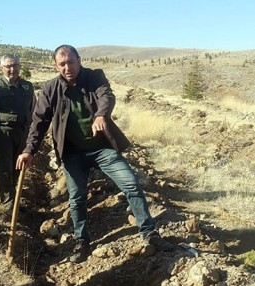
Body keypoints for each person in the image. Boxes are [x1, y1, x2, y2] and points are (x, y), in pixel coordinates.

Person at [16, 45, 175, 263]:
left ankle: (149, 233)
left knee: (131, 184)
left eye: (71, 62)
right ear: (56, 65)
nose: (67, 67)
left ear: (79, 60)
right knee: (77, 198)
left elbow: (106, 95)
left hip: (103, 149)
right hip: (72, 153)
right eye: (62, 64)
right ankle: (82, 241)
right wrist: (29, 151)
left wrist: (101, 115)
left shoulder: (94, 77)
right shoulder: (50, 89)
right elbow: (39, 121)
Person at [0, 54, 36, 205]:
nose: (12, 70)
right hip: (2, 133)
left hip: (22, 132)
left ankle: (16, 198)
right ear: (2, 68)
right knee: (5, 167)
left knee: (19, 166)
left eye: (15, 66)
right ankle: (7, 201)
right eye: (8, 66)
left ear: (20, 66)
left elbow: (33, 110)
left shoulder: (27, 86)